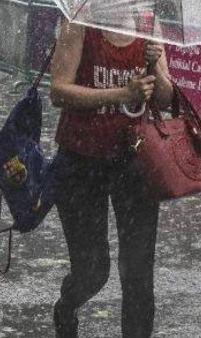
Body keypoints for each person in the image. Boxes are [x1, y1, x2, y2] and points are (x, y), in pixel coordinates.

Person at [48, 19, 173, 338]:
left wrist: (155, 66)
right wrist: (121, 93)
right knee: (93, 271)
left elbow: (163, 99)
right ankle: (68, 304)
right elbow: (58, 91)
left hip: (135, 163)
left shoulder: (149, 24)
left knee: (138, 272)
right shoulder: (79, 23)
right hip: (80, 163)